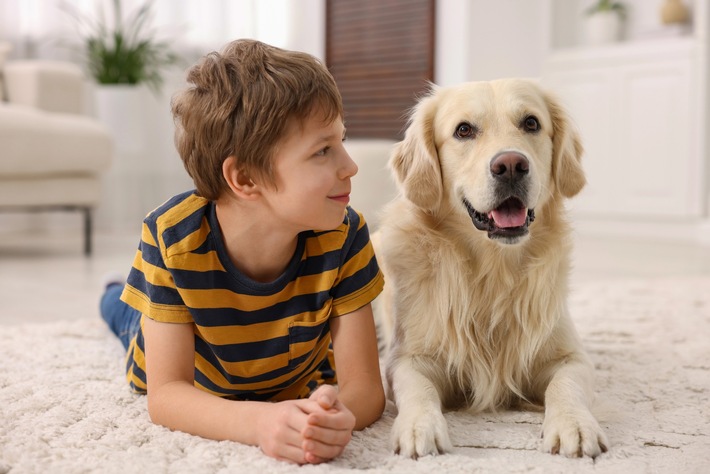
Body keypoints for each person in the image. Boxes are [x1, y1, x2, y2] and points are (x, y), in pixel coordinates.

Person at [99, 38, 385, 465]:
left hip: (293, 371)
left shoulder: (346, 234)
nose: (350, 165)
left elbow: (365, 389)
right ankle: (115, 294)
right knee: (124, 315)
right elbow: (166, 397)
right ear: (246, 178)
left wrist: (341, 415)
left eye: (340, 142)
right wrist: (260, 423)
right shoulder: (170, 237)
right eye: (323, 150)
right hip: (199, 365)